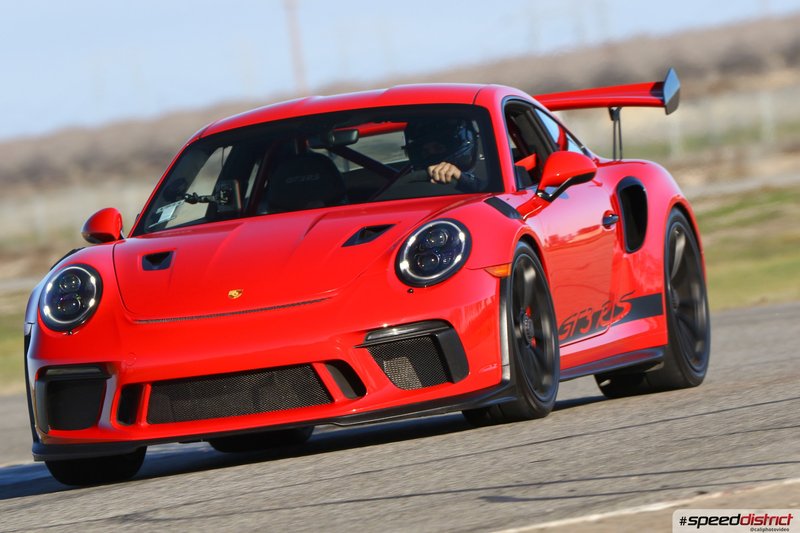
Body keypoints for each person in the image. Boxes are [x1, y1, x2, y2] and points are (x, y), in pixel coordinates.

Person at [403, 118, 484, 192]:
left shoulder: (486, 173)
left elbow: (485, 192)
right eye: (425, 151)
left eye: (438, 148)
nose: (432, 154)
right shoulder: (409, 180)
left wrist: (461, 178)